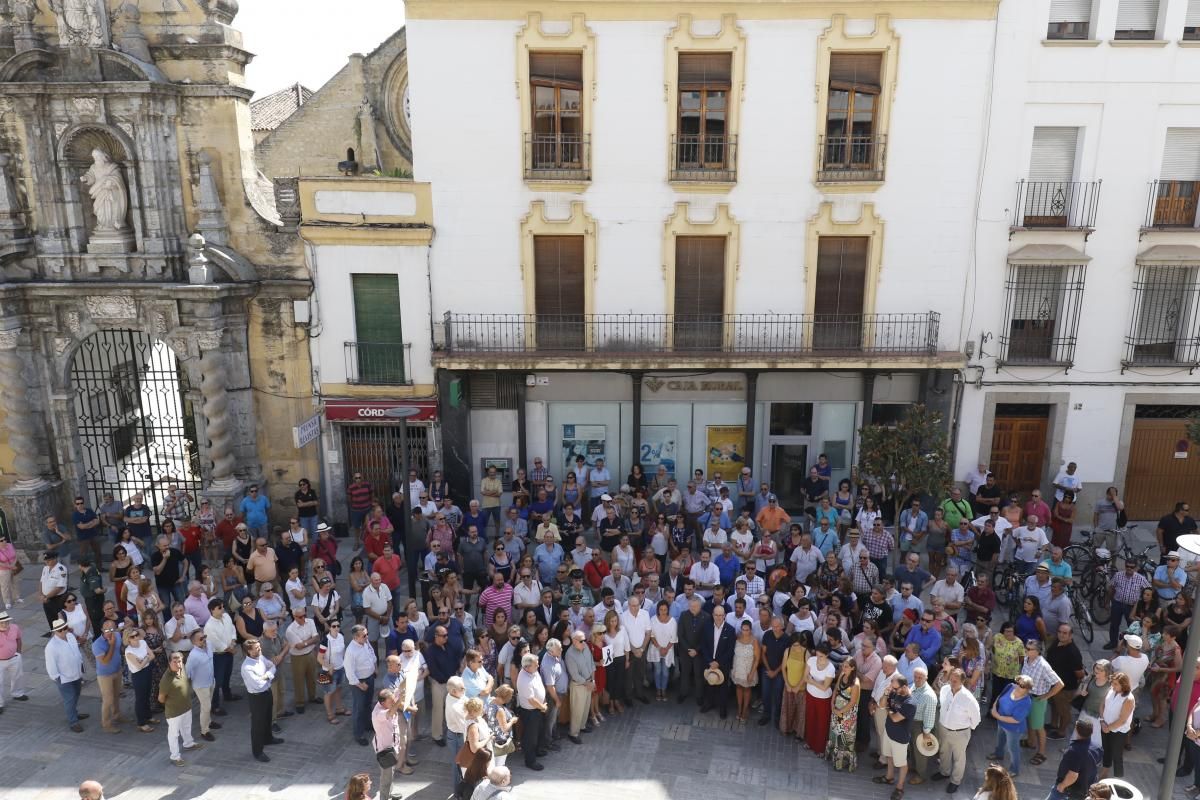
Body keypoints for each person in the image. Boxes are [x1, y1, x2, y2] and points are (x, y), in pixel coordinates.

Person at [931, 666, 981, 792]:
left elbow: (976, 719)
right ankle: (944, 772)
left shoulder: (968, 698)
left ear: (962, 682)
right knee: (943, 752)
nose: (952, 683)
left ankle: (955, 781)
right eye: (951, 680)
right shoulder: (945, 690)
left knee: (959, 758)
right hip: (943, 728)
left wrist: (966, 729)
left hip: (960, 733)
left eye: (955, 681)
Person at [241, 637, 286, 762]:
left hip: (267, 692)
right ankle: (257, 751)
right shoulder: (246, 667)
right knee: (257, 725)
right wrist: (269, 675)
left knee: (267, 718)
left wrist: (265, 676)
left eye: (259, 647)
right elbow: (258, 684)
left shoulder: (260, 657)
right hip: (256, 698)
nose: (260, 649)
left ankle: (268, 738)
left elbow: (272, 666)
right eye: (256, 648)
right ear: (249, 651)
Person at [875, 674, 916, 800]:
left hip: (900, 738)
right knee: (889, 756)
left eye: (896, 688)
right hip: (889, 732)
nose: (894, 691)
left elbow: (895, 718)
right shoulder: (894, 692)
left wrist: (888, 709)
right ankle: (889, 777)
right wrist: (886, 693)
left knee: (902, 764)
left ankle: (899, 787)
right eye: (893, 688)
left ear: (904, 687)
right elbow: (881, 705)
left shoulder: (910, 703)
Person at [159, 651, 201, 766]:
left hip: (186, 707)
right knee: (173, 734)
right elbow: (161, 698)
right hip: (174, 712)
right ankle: (175, 757)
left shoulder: (182, 669)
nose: (178, 664)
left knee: (187, 727)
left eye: (180, 661)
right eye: (175, 661)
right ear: (169, 662)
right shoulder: (166, 680)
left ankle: (188, 743)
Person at [987, 674, 1033, 778]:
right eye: (1018, 683)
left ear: (1027, 690)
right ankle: (998, 753)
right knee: (1000, 739)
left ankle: (1014, 769)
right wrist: (994, 707)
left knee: (1013, 748)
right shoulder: (1010, 686)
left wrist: (997, 716)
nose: (1017, 686)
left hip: (1014, 729)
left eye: (1021, 686)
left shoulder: (1026, 702)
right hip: (1001, 722)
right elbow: (1000, 696)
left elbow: (1016, 719)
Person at [46, 618, 87, 731]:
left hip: (76, 673)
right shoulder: (51, 647)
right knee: (69, 698)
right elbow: (51, 665)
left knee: (76, 695)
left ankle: (74, 713)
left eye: (65, 628)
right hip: (64, 678)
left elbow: (76, 652)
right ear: (55, 632)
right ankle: (73, 722)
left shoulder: (70, 636)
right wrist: (57, 678)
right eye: (60, 630)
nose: (63, 631)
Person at [1048, 719, 1101, 800]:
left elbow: (1073, 775)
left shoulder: (1074, 751)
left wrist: (1062, 785)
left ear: (1076, 730)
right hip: (1084, 790)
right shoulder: (1097, 748)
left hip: (1067, 791)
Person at [372, 687, 409, 800]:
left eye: (393, 700)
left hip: (393, 746)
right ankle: (384, 797)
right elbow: (391, 712)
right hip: (385, 751)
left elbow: (398, 690)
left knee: (391, 773)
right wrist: (398, 702)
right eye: (391, 701)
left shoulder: (388, 701)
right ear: (382, 703)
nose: (393, 702)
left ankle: (389, 793)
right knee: (386, 778)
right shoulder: (378, 713)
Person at [1099, 670, 1134, 779]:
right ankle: (1104, 773)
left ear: (1123, 685)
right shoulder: (1111, 690)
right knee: (1106, 750)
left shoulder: (1128, 699)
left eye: (1115, 684)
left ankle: (1118, 778)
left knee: (1116, 755)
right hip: (1105, 726)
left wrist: (1108, 728)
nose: (1112, 686)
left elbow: (1122, 719)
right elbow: (1102, 705)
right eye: (1112, 683)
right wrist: (1102, 720)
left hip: (1118, 731)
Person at [827, 658, 860, 771]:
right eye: (843, 666)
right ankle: (833, 756)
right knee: (835, 733)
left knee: (843, 737)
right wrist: (832, 704)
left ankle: (842, 761)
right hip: (836, 710)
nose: (843, 668)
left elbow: (852, 702)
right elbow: (836, 689)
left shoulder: (855, 683)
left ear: (853, 668)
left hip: (847, 714)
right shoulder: (842, 675)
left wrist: (840, 712)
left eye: (846, 666)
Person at [730, 619, 761, 722]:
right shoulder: (737, 638)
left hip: (748, 669)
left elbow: (757, 658)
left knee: (747, 689)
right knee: (738, 687)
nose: (745, 632)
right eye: (743, 629)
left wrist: (752, 673)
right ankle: (739, 708)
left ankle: (745, 709)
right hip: (738, 667)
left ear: (750, 630)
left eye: (747, 630)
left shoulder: (754, 641)